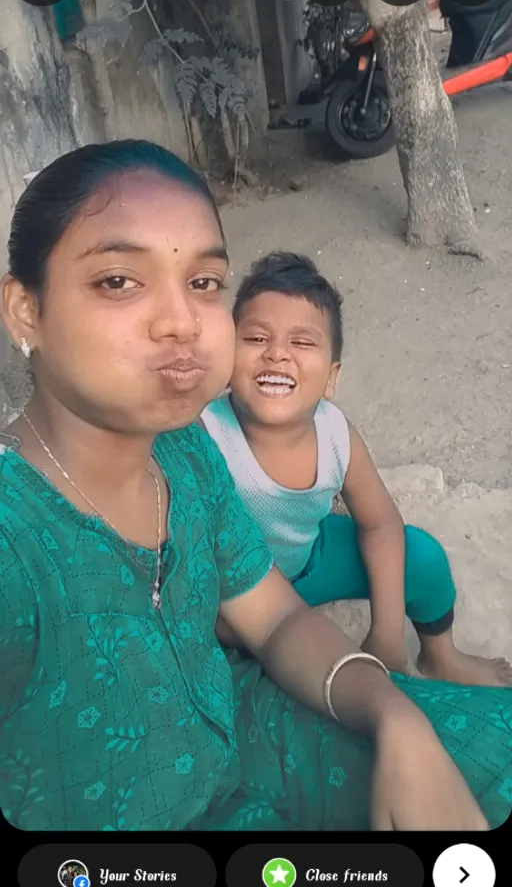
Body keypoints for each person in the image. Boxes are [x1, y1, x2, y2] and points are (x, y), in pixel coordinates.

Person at [0, 140, 511, 834]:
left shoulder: (182, 454)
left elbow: (276, 618)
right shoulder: (17, 537)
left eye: (205, 283)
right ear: (25, 310)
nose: (181, 321)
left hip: (253, 731)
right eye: (119, 280)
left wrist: (396, 713)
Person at [203, 252, 512, 689]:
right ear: (225, 360)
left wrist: (385, 633)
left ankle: (442, 657)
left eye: (302, 343)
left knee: (421, 556)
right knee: (231, 646)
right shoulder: (203, 435)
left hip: (308, 564)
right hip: (239, 598)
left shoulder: (335, 433)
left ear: (331, 378)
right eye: (255, 339)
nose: (277, 354)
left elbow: (381, 523)